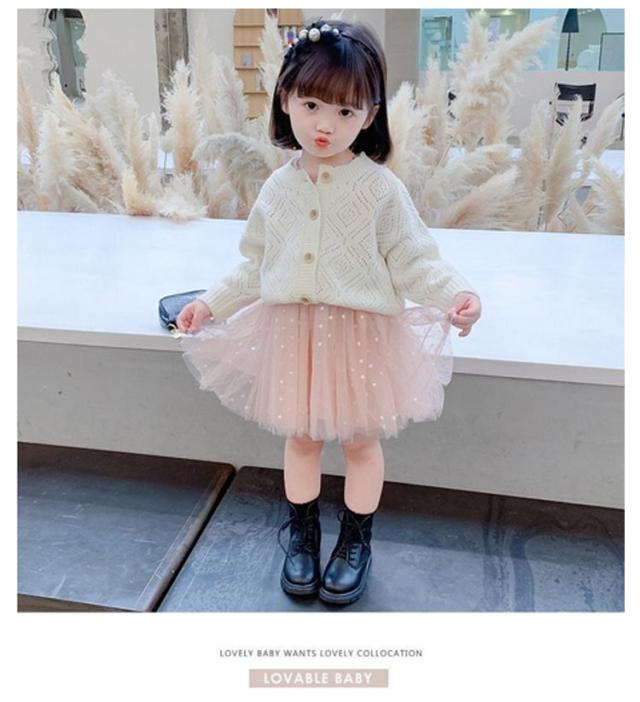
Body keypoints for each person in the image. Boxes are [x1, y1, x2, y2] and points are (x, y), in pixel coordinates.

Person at [176, 18, 482, 606]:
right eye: (312, 104)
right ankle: (303, 535)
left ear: (369, 117)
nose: (324, 124)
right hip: (293, 335)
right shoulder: (278, 189)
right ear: (285, 99)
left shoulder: (380, 189)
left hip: (362, 337)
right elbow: (256, 266)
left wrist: (456, 295)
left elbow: (414, 259)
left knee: (362, 443)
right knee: (301, 439)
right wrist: (210, 304)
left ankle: (356, 541)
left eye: (345, 111)